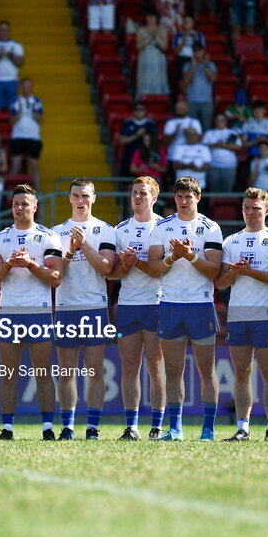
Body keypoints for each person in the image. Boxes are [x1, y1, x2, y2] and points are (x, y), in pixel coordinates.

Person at [146, 177, 223, 441]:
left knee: (206, 370)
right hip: (170, 303)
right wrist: (172, 257)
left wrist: (190, 256)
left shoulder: (210, 228)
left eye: (189, 196)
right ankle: (175, 428)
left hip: (200, 304)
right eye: (179, 196)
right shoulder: (162, 226)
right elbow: (153, 268)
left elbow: (214, 271)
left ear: (198, 198)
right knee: (173, 370)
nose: (183, 201)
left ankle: (208, 429)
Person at [0, 184, 64, 440]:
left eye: (24, 204)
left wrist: (30, 264)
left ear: (35, 207)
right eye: (16, 204)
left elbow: (55, 277)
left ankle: (47, 428)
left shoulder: (48, 236)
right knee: (8, 373)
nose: (19, 208)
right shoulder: (0, 238)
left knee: (42, 372)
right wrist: (9, 263)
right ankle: (7, 428)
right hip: (9, 312)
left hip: (38, 312)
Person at [217, 188, 268, 441]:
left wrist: (250, 273)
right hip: (237, 314)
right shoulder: (231, 241)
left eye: (256, 208)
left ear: (266, 210)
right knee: (241, 372)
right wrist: (235, 273)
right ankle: (242, 428)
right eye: (247, 208)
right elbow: (221, 284)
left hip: (265, 314)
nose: (250, 213)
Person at [52, 179, 116, 440]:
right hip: (67, 306)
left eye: (85, 195)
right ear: (69, 199)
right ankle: (68, 426)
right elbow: (55, 274)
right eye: (76, 195)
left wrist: (85, 245)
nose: (81, 200)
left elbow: (106, 268)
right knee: (66, 371)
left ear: (94, 198)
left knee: (94, 369)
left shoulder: (105, 230)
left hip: (95, 305)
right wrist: (69, 251)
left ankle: (92, 427)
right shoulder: (56, 232)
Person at [109, 177, 166, 439]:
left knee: (156, 365)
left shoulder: (164, 227)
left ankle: (156, 425)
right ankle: (131, 426)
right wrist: (125, 265)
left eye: (143, 193)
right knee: (129, 366)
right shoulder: (120, 229)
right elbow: (112, 275)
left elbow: (162, 270)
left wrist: (138, 262)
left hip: (156, 302)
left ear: (154, 197)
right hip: (129, 304)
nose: (138, 197)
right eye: (134, 192)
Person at [8, 78, 42, 181]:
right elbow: (12, 121)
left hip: (33, 137)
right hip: (18, 137)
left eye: (29, 85)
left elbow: (40, 120)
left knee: (34, 166)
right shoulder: (15, 100)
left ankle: (38, 193)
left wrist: (33, 111)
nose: (28, 88)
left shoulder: (36, 101)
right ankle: (10, 194)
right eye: (25, 85)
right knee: (15, 166)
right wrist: (20, 111)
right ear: (21, 87)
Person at [0, 21, 24, 110]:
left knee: (12, 109)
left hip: (12, 80)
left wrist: (10, 55)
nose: (4, 32)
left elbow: (20, 63)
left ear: (9, 31)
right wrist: (0, 55)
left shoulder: (17, 45)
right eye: (1, 30)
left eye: (6, 30)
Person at [202, 112, 242, 193]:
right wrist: (218, 144)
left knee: (227, 191)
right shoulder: (209, 133)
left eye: (222, 120)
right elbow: (204, 146)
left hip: (229, 166)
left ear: (226, 122)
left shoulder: (232, 132)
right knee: (214, 191)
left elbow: (239, 146)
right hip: (213, 166)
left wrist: (225, 146)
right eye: (218, 120)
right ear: (215, 121)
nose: (220, 122)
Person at [179, 44, 216, 129]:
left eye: (199, 51)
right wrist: (193, 66)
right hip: (191, 102)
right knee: (192, 129)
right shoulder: (187, 65)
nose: (197, 53)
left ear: (203, 52)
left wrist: (205, 65)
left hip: (206, 102)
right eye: (195, 51)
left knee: (206, 128)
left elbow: (213, 79)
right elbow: (186, 81)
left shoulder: (210, 65)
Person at [135, 12, 170, 100]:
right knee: (145, 79)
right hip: (145, 59)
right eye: (149, 17)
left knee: (158, 79)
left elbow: (164, 47)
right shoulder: (141, 30)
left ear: (156, 19)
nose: (151, 20)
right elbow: (138, 46)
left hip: (158, 59)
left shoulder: (162, 30)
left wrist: (156, 36)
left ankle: (159, 99)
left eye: (153, 17)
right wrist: (150, 37)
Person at [117, 101, 155, 175]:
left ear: (145, 111)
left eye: (141, 109)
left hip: (146, 160)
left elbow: (155, 142)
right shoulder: (127, 123)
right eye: (136, 109)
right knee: (128, 182)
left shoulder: (151, 124)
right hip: (129, 157)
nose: (139, 111)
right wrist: (137, 135)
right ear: (133, 111)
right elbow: (122, 140)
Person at [171, 127, 212, 191]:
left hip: (199, 185)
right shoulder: (179, 147)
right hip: (182, 185)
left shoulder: (204, 148)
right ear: (185, 136)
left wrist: (198, 168)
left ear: (197, 136)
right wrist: (188, 166)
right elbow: (175, 166)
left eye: (193, 134)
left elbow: (208, 165)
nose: (191, 136)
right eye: (189, 134)